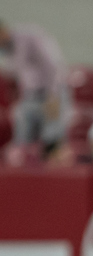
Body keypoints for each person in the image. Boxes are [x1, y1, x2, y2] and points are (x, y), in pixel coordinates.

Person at [0, 19, 72, 157]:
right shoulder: (7, 50)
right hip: (30, 96)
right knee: (22, 141)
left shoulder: (29, 37)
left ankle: (53, 174)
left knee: (52, 139)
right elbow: (21, 76)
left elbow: (52, 66)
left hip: (50, 93)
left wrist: (53, 96)